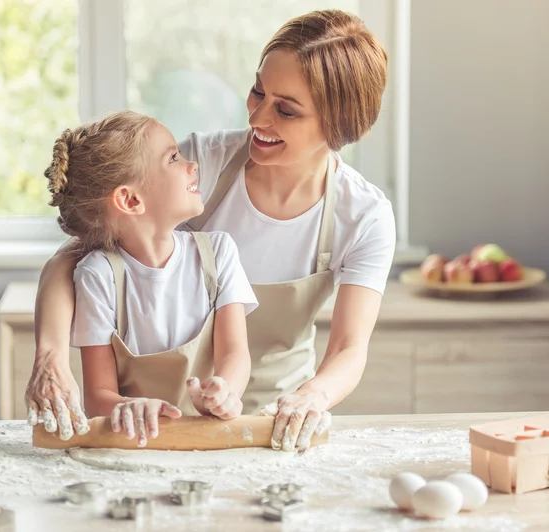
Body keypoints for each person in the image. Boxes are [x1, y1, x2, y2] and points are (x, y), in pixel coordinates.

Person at [26, 9, 396, 452]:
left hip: (275, 422)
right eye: (258, 91)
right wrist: (50, 354)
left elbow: (348, 350)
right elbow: (75, 254)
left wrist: (311, 397)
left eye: (286, 110)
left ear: (339, 126)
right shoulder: (207, 164)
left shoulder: (364, 216)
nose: (257, 119)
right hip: (176, 420)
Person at [35, 110, 257, 446]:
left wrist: (225, 390)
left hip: (210, 440)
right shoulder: (98, 276)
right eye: (173, 158)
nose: (192, 164)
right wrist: (129, 407)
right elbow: (98, 396)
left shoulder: (218, 253)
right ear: (130, 199)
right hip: (135, 445)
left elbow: (235, 354)